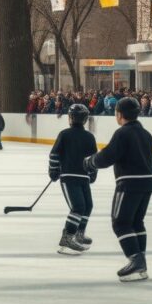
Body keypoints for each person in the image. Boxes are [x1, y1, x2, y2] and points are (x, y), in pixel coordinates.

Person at [84, 97, 152, 282]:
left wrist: (89, 162)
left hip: (129, 182)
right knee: (136, 222)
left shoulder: (122, 133)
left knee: (121, 222)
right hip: (148, 182)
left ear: (119, 114)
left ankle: (136, 260)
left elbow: (107, 156)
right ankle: (141, 261)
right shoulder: (146, 134)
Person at [49, 104, 98, 255]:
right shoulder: (87, 136)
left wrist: (53, 170)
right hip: (70, 177)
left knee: (87, 205)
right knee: (79, 207)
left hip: (78, 177)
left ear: (70, 118)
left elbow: (54, 155)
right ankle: (67, 238)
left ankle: (78, 234)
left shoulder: (66, 134)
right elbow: (94, 160)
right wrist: (92, 173)